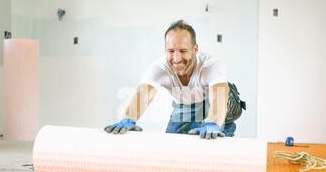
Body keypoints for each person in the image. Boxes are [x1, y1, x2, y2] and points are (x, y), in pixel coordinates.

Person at [105, 20, 246, 140]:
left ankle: (221, 128)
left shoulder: (210, 65)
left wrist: (214, 123)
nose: (177, 59)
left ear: (195, 49)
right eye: (171, 51)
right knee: (171, 146)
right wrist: (128, 118)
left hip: (214, 105)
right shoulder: (159, 68)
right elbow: (143, 95)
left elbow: (219, 96)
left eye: (183, 51)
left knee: (213, 139)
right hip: (185, 106)